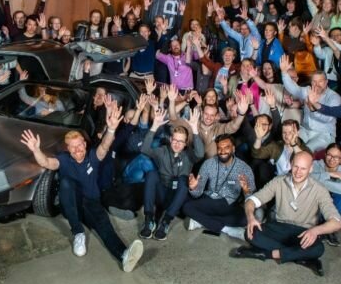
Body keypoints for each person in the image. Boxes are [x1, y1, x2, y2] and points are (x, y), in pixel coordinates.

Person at [19, 106, 145, 272]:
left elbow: (104, 146)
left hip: (92, 203)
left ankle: (124, 255)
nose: (77, 149)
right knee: (66, 183)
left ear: (85, 144)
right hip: (72, 204)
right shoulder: (64, 159)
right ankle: (78, 233)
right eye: (73, 147)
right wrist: (36, 150)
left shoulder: (93, 156)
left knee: (105, 227)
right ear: (68, 149)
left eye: (80, 145)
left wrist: (111, 129)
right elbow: (46, 163)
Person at [231, 151, 341, 277]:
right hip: (280, 228)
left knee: (319, 248)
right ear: (291, 164)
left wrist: (316, 231)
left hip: (304, 232)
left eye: (303, 168)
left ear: (311, 169)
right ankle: (301, 257)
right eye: (296, 167)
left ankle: (264, 254)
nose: (298, 172)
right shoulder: (278, 182)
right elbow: (252, 201)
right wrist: (251, 218)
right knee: (250, 233)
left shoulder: (320, 190)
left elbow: (336, 222)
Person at [139, 107, 204, 241]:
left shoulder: (189, 155)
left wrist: (194, 129)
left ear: (185, 143)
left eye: (181, 141)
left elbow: (200, 154)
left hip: (177, 198)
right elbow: (144, 149)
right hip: (162, 193)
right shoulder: (163, 151)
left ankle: (166, 222)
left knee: (183, 179)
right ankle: (149, 220)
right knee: (151, 174)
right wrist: (154, 126)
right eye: (175, 140)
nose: (177, 144)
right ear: (170, 139)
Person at [182, 134, 255, 240]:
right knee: (186, 206)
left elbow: (252, 198)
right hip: (209, 199)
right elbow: (198, 193)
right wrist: (194, 187)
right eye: (219, 148)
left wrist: (246, 190)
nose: (222, 151)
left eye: (226, 147)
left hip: (228, 203)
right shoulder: (208, 163)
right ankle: (227, 229)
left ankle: (200, 221)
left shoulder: (244, 168)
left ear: (233, 148)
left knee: (244, 219)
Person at [311, 143, 341, 246]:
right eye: (329, 155)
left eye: (336, 157)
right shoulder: (316, 165)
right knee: (325, 190)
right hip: (314, 202)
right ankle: (321, 226)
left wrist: (324, 182)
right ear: (325, 154)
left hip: (332, 205)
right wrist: (329, 174)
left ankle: (331, 228)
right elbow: (307, 177)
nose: (332, 159)